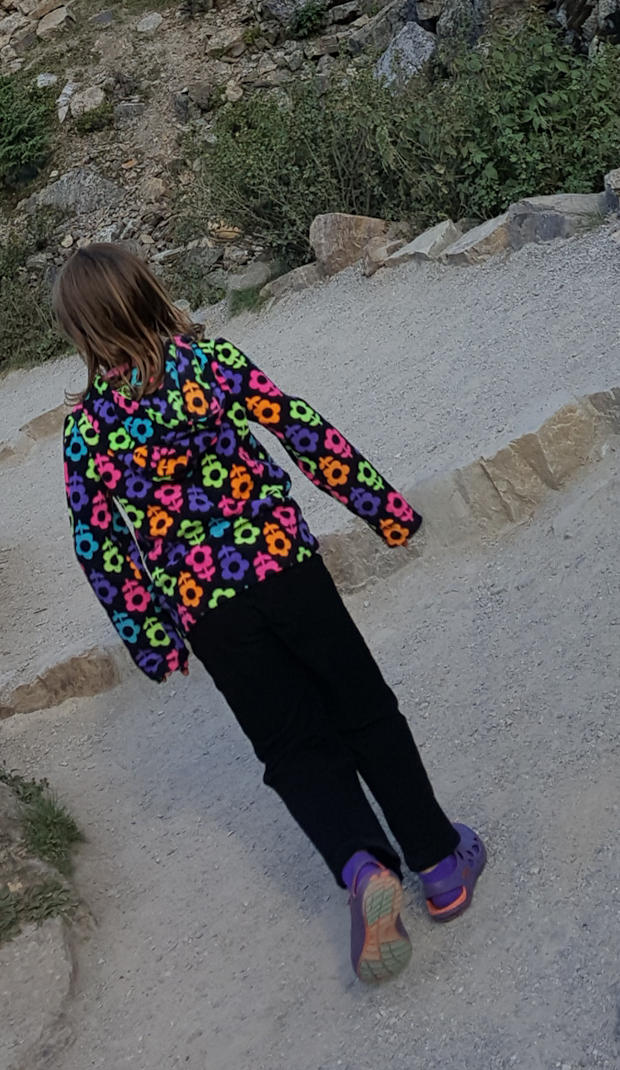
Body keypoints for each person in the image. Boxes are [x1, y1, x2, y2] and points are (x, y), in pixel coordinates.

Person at [55, 241, 484, 985]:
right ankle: (441, 866)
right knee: (365, 710)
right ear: (150, 294)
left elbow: (101, 548)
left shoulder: (85, 433)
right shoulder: (212, 364)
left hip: (208, 609)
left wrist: (153, 641)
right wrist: (383, 509)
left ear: (81, 332)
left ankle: (362, 866)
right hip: (285, 566)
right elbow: (304, 432)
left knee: (291, 746)